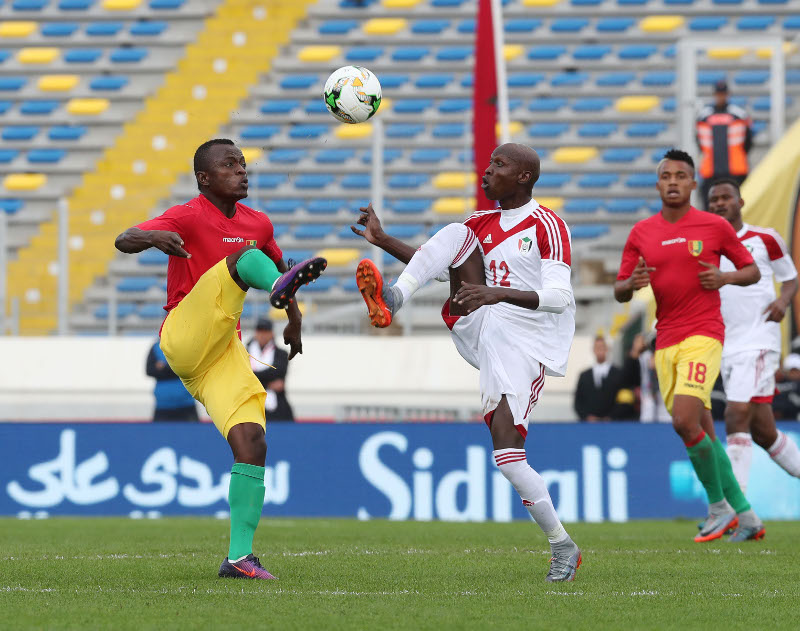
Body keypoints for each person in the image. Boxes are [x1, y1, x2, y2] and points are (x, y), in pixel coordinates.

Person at [351, 143, 582, 582]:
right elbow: (437, 264)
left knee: (508, 456)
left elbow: (560, 297)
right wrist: (381, 241)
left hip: (526, 339)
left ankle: (563, 545)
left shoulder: (548, 225)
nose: (487, 169)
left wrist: (496, 292)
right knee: (457, 235)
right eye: (490, 161)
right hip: (481, 319)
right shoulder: (479, 224)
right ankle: (393, 299)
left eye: (500, 164)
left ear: (525, 177)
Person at [114, 138, 327, 580]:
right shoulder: (187, 214)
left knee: (252, 440)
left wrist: (294, 320)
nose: (242, 172)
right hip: (185, 333)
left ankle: (238, 557)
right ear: (204, 178)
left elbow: (280, 273)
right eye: (230, 166)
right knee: (242, 261)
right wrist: (154, 236)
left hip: (222, 351)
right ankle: (239, 556)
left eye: (243, 165)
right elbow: (123, 238)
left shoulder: (259, 223)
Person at [614, 148, 765, 543]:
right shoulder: (641, 233)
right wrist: (630, 286)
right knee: (704, 432)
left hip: (704, 335)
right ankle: (747, 517)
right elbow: (619, 289)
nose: (674, 182)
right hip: (666, 341)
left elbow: (752, 270)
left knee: (683, 421)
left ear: (693, 183)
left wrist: (726, 278)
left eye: (682, 176)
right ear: (659, 183)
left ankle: (718, 508)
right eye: (667, 176)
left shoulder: (714, 226)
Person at [708, 178, 800, 494]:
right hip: (728, 345)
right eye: (714, 199)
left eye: (725, 197)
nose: (719, 203)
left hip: (759, 339)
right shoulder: (706, 245)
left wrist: (782, 301)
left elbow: (790, 278)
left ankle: (738, 510)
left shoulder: (765, 238)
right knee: (764, 431)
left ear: (740, 202)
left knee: (735, 413)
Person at [696, 79, 754, 207]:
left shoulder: (739, 115)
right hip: (710, 172)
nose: (721, 97)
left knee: (737, 208)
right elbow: (699, 142)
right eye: (718, 94)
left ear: (727, 94)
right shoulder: (703, 116)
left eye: (723, 94)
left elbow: (748, 142)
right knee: (710, 208)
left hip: (735, 171)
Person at [247, 317, 295, 422]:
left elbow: (278, 371)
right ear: (255, 333)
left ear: (271, 333)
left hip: (276, 409)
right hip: (249, 406)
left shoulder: (281, 354)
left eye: (266, 331)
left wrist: (253, 380)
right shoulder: (244, 353)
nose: (263, 335)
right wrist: (268, 385)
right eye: (260, 331)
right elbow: (243, 377)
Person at [145, 338, 199, 422]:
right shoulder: (156, 347)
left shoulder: (186, 346)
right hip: (163, 405)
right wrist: (174, 368)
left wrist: (164, 367)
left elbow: (190, 369)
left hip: (186, 404)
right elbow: (149, 370)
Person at [574, 335, 624, 421]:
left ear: (607, 349)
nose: (600, 350)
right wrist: (587, 417)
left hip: (613, 424)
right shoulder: (584, 375)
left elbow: (623, 398)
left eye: (602, 347)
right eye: (597, 347)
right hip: (589, 426)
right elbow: (578, 401)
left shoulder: (618, 373)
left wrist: (611, 417)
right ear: (593, 350)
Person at [774, 353, 800, 420]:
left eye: (796, 371)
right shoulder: (775, 383)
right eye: (792, 371)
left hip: (793, 421)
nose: (794, 374)